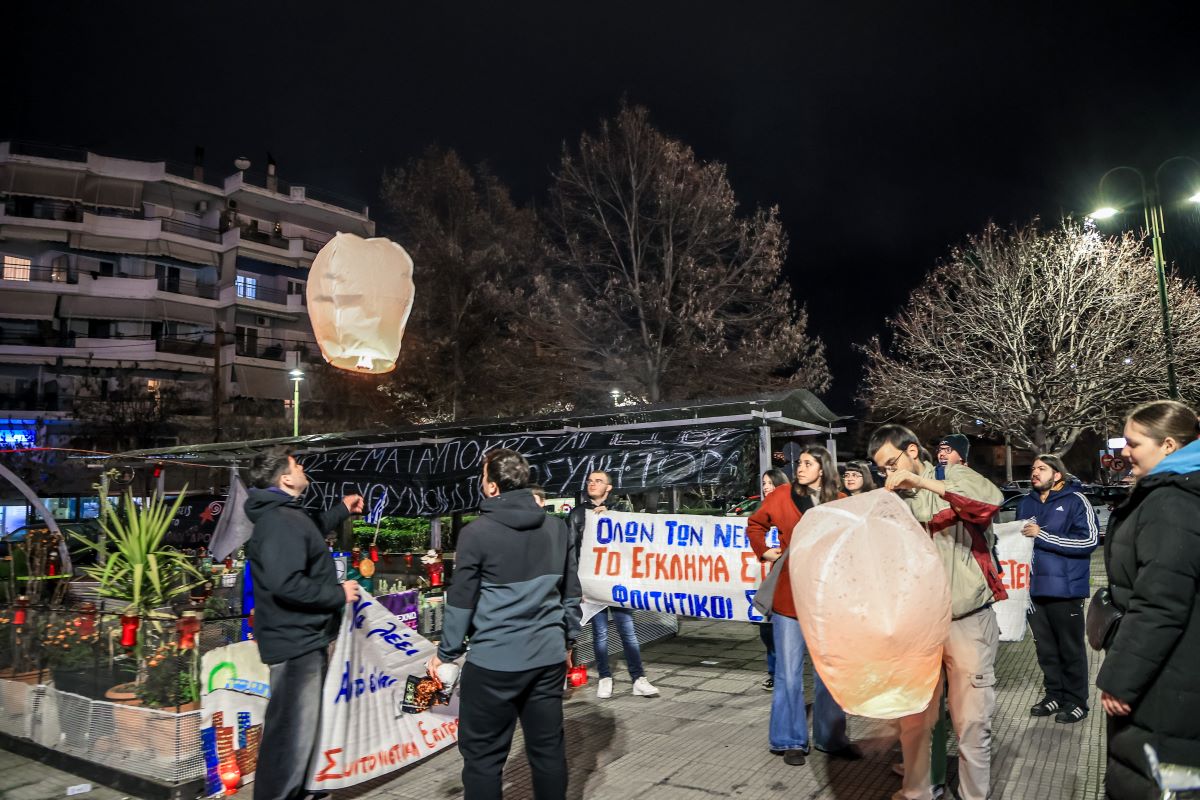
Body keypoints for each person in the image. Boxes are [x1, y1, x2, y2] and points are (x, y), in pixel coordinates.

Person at [429, 448, 581, 800]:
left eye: (483, 477)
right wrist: (569, 642)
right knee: (548, 752)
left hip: (494, 664)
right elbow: (571, 594)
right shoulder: (557, 529)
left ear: (493, 487)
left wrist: (446, 653)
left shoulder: (477, 533)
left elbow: (461, 601)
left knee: (483, 759)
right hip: (547, 659)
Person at [869, 424, 1006, 800]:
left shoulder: (951, 475)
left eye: (893, 463)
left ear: (913, 452)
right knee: (915, 718)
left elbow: (989, 502)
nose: (889, 474)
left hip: (966, 622)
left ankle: (972, 795)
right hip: (919, 628)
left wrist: (924, 484)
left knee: (972, 721)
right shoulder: (890, 498)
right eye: (882, 469)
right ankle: (917, 791)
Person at [243, 446, 363, 800]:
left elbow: (307, 532)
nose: (302, 468)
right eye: (297, 465)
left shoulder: (285, 514)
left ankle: (299, 791)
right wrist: (337, 594)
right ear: (284, 478)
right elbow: (286, 583)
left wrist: (341, 510)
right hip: (295, 642)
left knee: (301, 729)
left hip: (303, 638)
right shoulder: (279, 521)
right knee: (290, 734)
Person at [1096, 400, 1200, 799]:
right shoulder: (1172, 493)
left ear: (1169, 445)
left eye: (1133, 443)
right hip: (1171, 673)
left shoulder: (1171, 502)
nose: (1124, 451)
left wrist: (1121, 681)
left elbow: (1160, 602)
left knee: (1159, 780)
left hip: (1168, 682)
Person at [747, 446, 861, 766]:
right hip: (789, 598)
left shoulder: (840, 501)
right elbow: (755, 524)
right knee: (787, 672)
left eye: (808, 463)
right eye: (800, 463)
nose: (800, 467)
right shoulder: (782, 495)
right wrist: (765, 552)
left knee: (830, 672)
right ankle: (789, 740)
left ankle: (831, 738)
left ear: (822, 468)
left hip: (828, 599)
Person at [1018, 454, 1098, 724]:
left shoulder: (1076, 500)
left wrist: (1043, 535)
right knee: (1046, 650)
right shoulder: (1026, 502)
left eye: (1042, 468)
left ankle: (1076, 702)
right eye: (1032, 469)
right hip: (1034, 591)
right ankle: (1054, 694)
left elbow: (1088, 540)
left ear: (1057, 475)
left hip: (1066, 590)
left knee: (1070, 649)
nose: (1035, 472)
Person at [568, 470, 658, 699]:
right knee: (600, 634)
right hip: (593, 584)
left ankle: (639, 678)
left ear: (608, 488)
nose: (592, 484)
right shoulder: (578, 514)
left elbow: (632, 541)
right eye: (589, 481)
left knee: (628, 632)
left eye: (598, 481)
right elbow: (571, 551)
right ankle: (605, 678)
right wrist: (577, 586)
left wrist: (609, 518)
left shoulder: (621, 511)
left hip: (617, 583)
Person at [757, 468, 791, 690]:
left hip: (783, 577)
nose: (766, 487)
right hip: (762, 577)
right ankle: (774, 671)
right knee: (766, 629)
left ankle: (783, 671)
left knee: (779, 627)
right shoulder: (760, 511)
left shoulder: (788, 509)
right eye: (764, 483)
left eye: (770, 483)